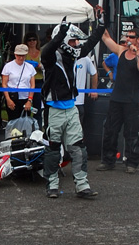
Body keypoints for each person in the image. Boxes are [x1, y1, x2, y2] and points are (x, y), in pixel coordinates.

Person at [40, 14, 105, 199]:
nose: (77, 44)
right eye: (74, 40)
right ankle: (52, 185)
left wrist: (100, 26)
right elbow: (48, 49)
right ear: (63, 40)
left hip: (72, 109)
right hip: (53, 110)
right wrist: (60, 33)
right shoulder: (50, 57)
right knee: (53, 149)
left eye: (77, 41)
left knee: (79, 148)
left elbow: (90, 43)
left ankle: (82, 186)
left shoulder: (74, 55)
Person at [97, 25, 139, 174]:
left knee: (131, 133)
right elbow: (106, 38)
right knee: (110, 130)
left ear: (138, 39)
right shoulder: (121, 51)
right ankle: (108, 160)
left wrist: (136, 53)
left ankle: (132, 162)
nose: (128, 39)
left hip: (132, 100)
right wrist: (101, 21)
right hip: (117, 98)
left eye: (131, 37)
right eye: (127, 36)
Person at [1, 45, 36, 129]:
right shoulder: (8, 66)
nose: (20, 58)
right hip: (12, 97)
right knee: (12, 123)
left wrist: (29, 100)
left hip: (25, 98)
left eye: (23, 55)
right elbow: (4, 84)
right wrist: (8, 99)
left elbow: (32, 85)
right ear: (15, 54)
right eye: (18, 55)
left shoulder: (30, 67)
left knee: (25, 123)